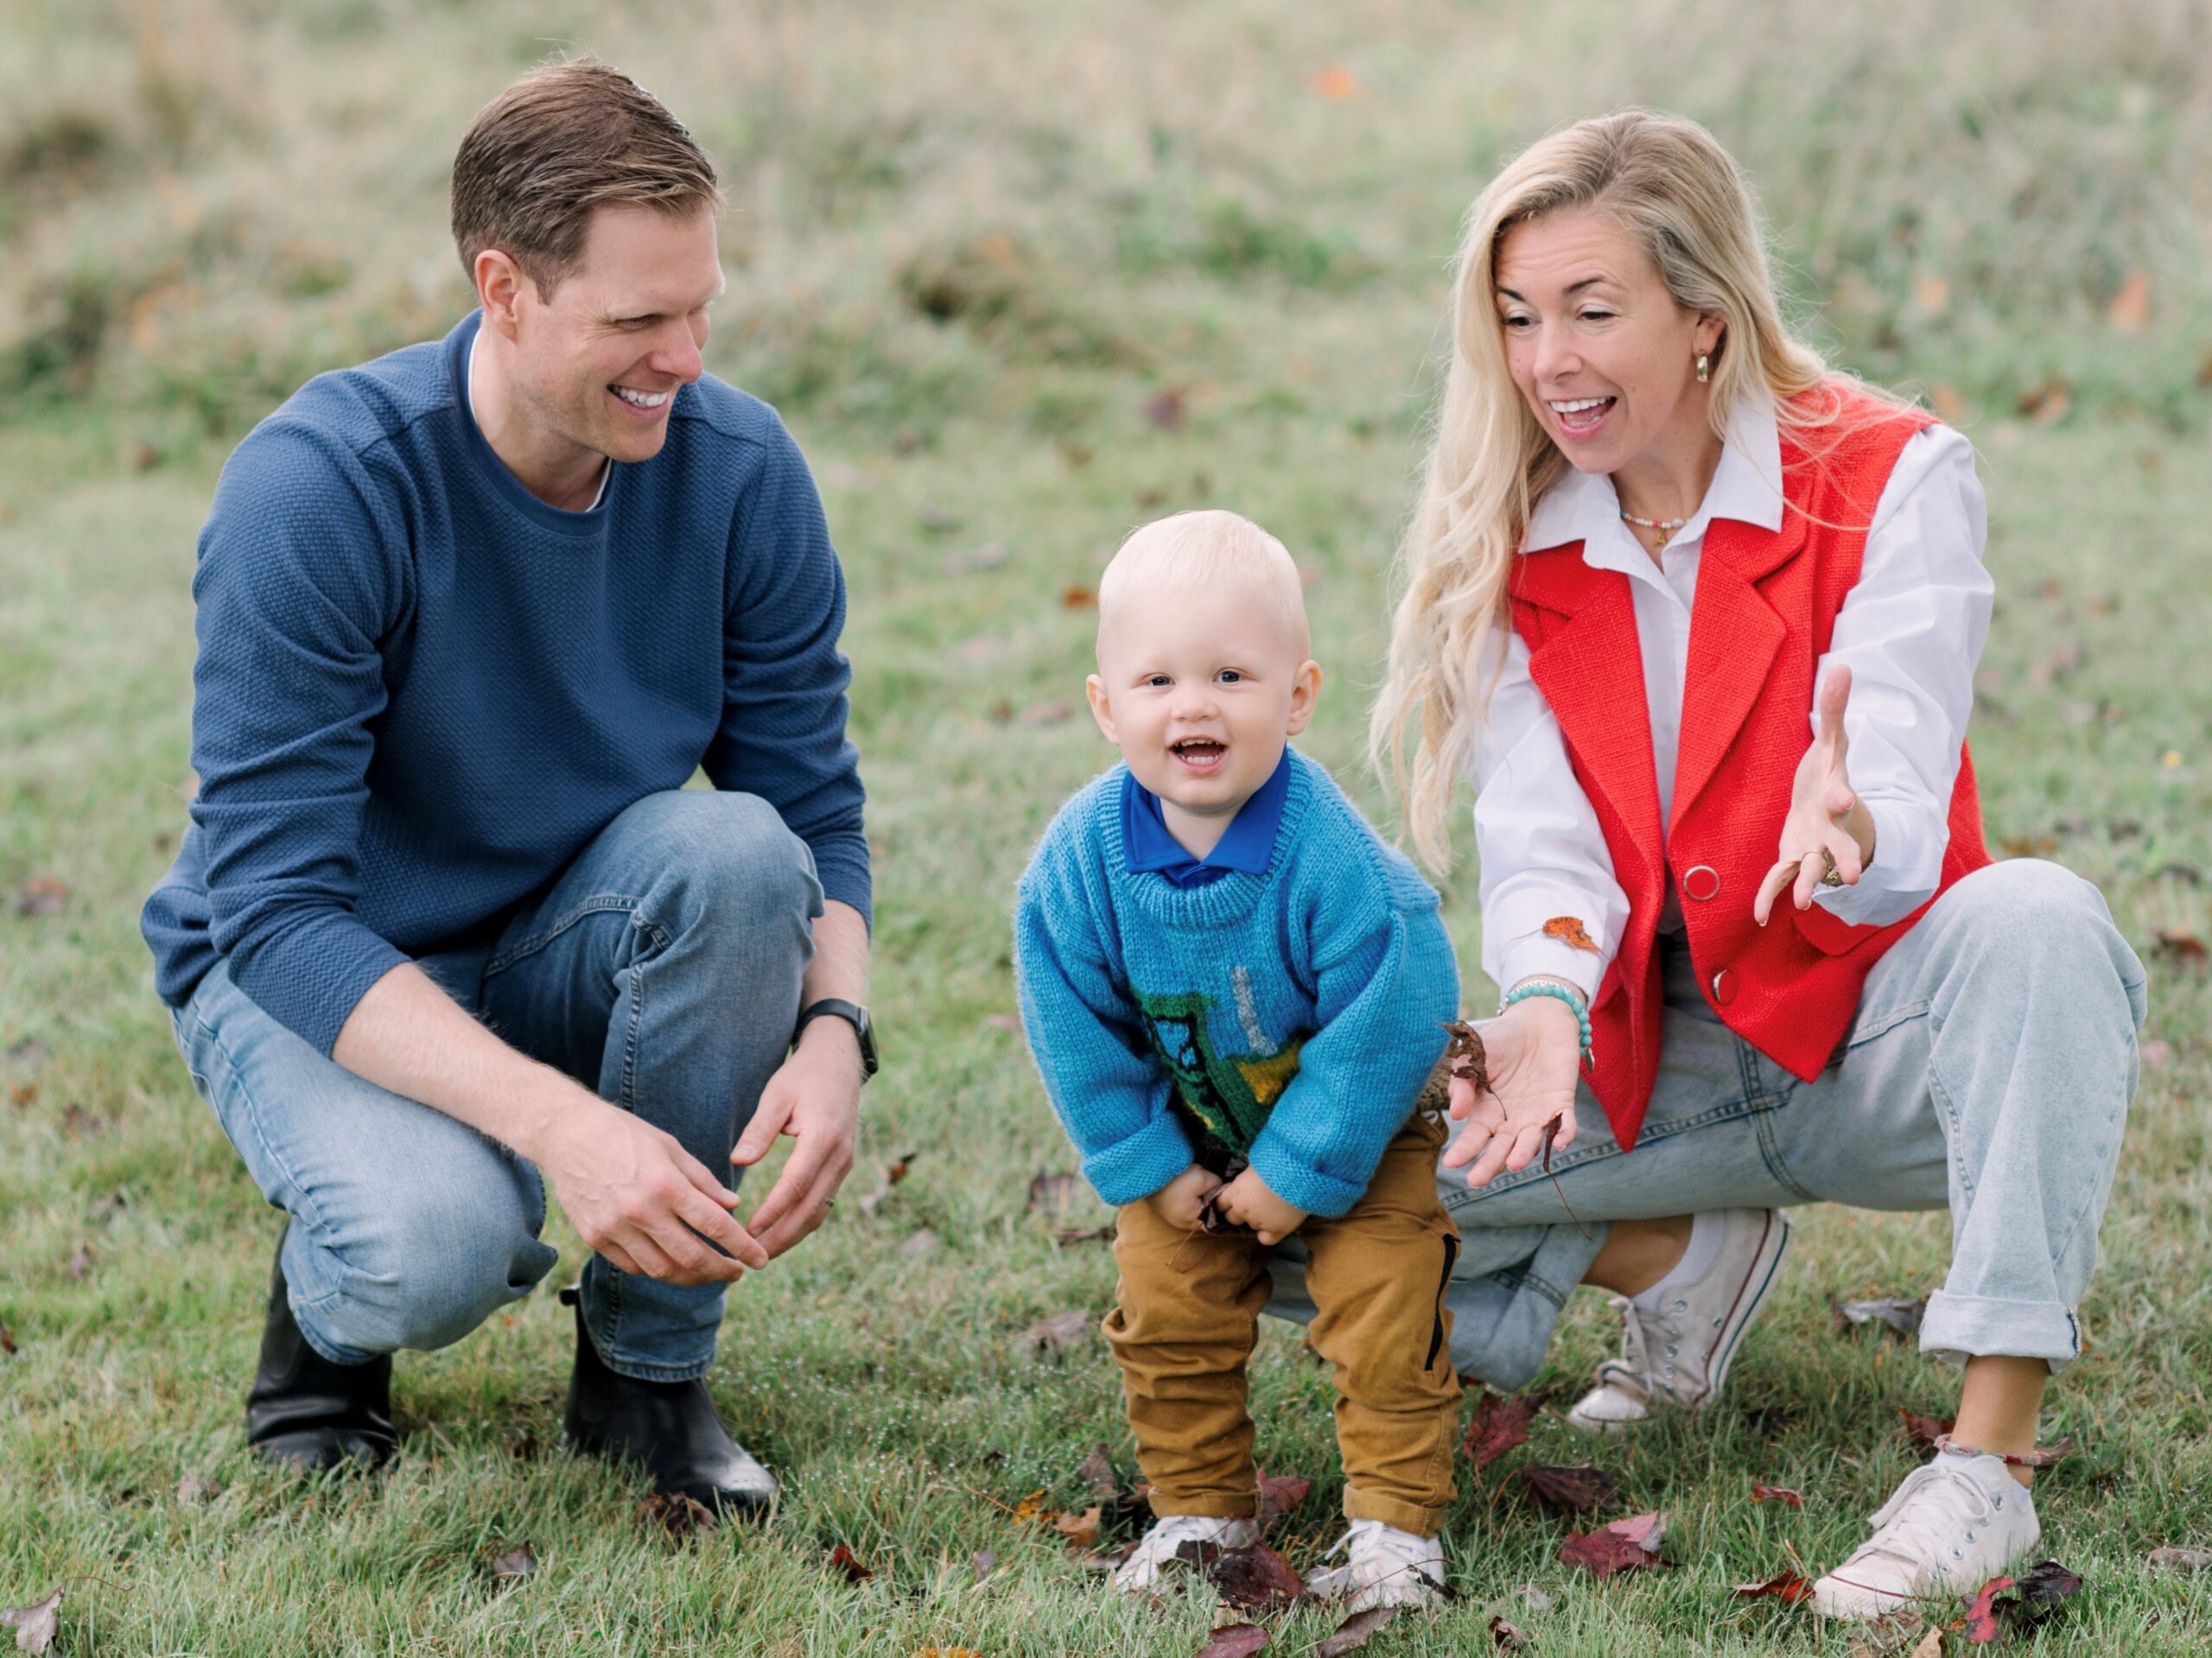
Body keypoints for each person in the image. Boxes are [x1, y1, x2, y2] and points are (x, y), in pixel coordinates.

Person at [1348, 110, 2146, 1618]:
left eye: (1594, 311)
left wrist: (1848, 832)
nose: (1547, 360)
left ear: (1705, 318)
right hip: (1659, 1061)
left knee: (2046, 918)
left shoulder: (1894, 473)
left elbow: (1897, 760)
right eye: (1519, 318)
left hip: (1878, 1042)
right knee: (1295, 1180)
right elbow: (1542, 831)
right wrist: (1542, 1005)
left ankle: (1987, 1461)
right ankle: (1678, 1258)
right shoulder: (1521, 528)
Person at [138, 60, 877, 1513]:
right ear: (504, 288)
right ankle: (326, 1322)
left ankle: (648, 1378)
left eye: (700, 307)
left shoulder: (740, 471)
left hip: (560, 925)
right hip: (319, 959)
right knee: (433, 1245)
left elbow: (814, 815)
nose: (685, 354)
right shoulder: (320, 488)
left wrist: (841, 1027)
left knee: (739, 856)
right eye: (638, 320)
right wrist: (564, 1128)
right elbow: (276, 907)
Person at [1014, 511, 1464, 1613]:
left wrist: (1300, 1169)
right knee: (1167, 1311)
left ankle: (1393, 1531)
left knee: (1383, 1306)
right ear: (1106, 704)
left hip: (1359, 1131)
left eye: (1229, 673)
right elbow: (1076, 1031)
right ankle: (1200, 1507)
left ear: (1297, 695)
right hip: (1191, 1141)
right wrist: (1152, 1167)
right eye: (1158, 679)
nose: (1194, 704)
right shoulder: (1076, 865)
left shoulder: (1336, 861)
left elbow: (1395, 1018)